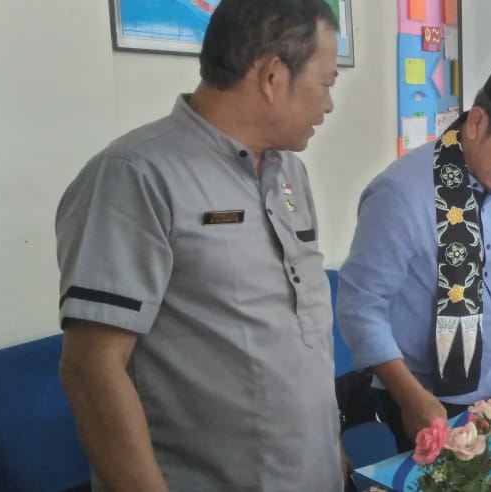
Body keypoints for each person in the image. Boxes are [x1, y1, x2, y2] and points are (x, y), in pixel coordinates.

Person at [55, 0, 346, 489]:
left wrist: (331, 454)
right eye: (327, 83)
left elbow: (301, 337)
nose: (330, 105)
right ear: (273, 77)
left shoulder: (288, 172)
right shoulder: (135, 176)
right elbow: (91, 370)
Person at [337, 51, 491, 451]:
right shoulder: (400, 193)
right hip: (421, 394)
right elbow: (361, 305)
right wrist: (408, 397)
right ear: (477, 123)